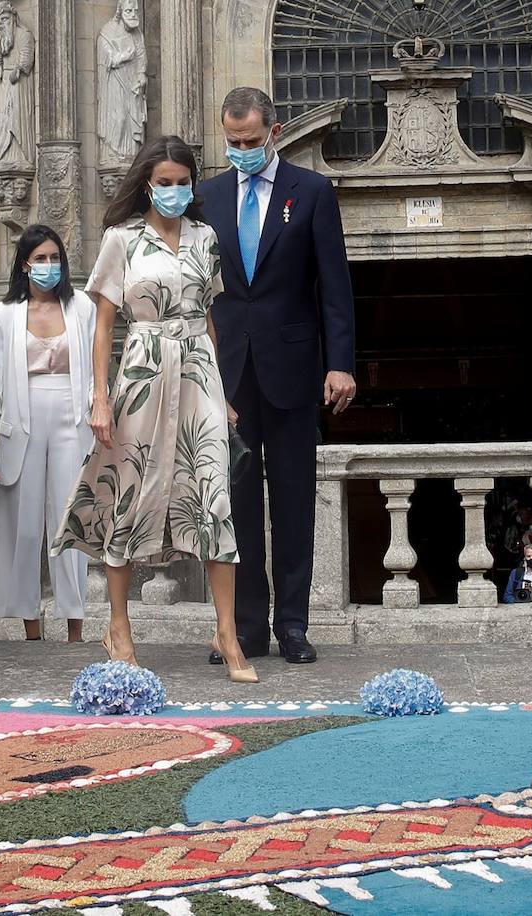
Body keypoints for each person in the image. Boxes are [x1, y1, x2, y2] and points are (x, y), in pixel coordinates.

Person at [51, 135, 256, 684]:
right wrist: (99, 396)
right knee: (127, 491)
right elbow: (103, 325)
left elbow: (210, 316)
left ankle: (227, 634)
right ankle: (118, 626)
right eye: (163, 182)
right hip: (142, 372)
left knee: (213, 499)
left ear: (193, 185)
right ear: (147, 183)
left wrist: (223, 392)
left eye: (182, 182)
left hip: (197, 375)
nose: (173, 191)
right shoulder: (121, 239)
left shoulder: (206, 238)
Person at [198, 87, 356, 666]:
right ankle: (242, 629)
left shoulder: (311, 192)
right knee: (235, 504)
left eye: (250, 140)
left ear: (275, 131)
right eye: (231, 141)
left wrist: (340, 362)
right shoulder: (207, 196)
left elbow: (333, 284)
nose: (240, 150)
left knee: (292, 502)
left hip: (293, 368)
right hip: (228, 374)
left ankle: (292, 626)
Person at [0, 224, 97, 641]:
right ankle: (31, 627)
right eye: (40, 258)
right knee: (25, 526)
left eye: (55, 258)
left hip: (71, 418)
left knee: (70, 522)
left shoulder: (82, 307)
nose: (49, 266)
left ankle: (76, 627)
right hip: (21, 420)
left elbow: (97, 373)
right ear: (24, 264)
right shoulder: (4, 314)